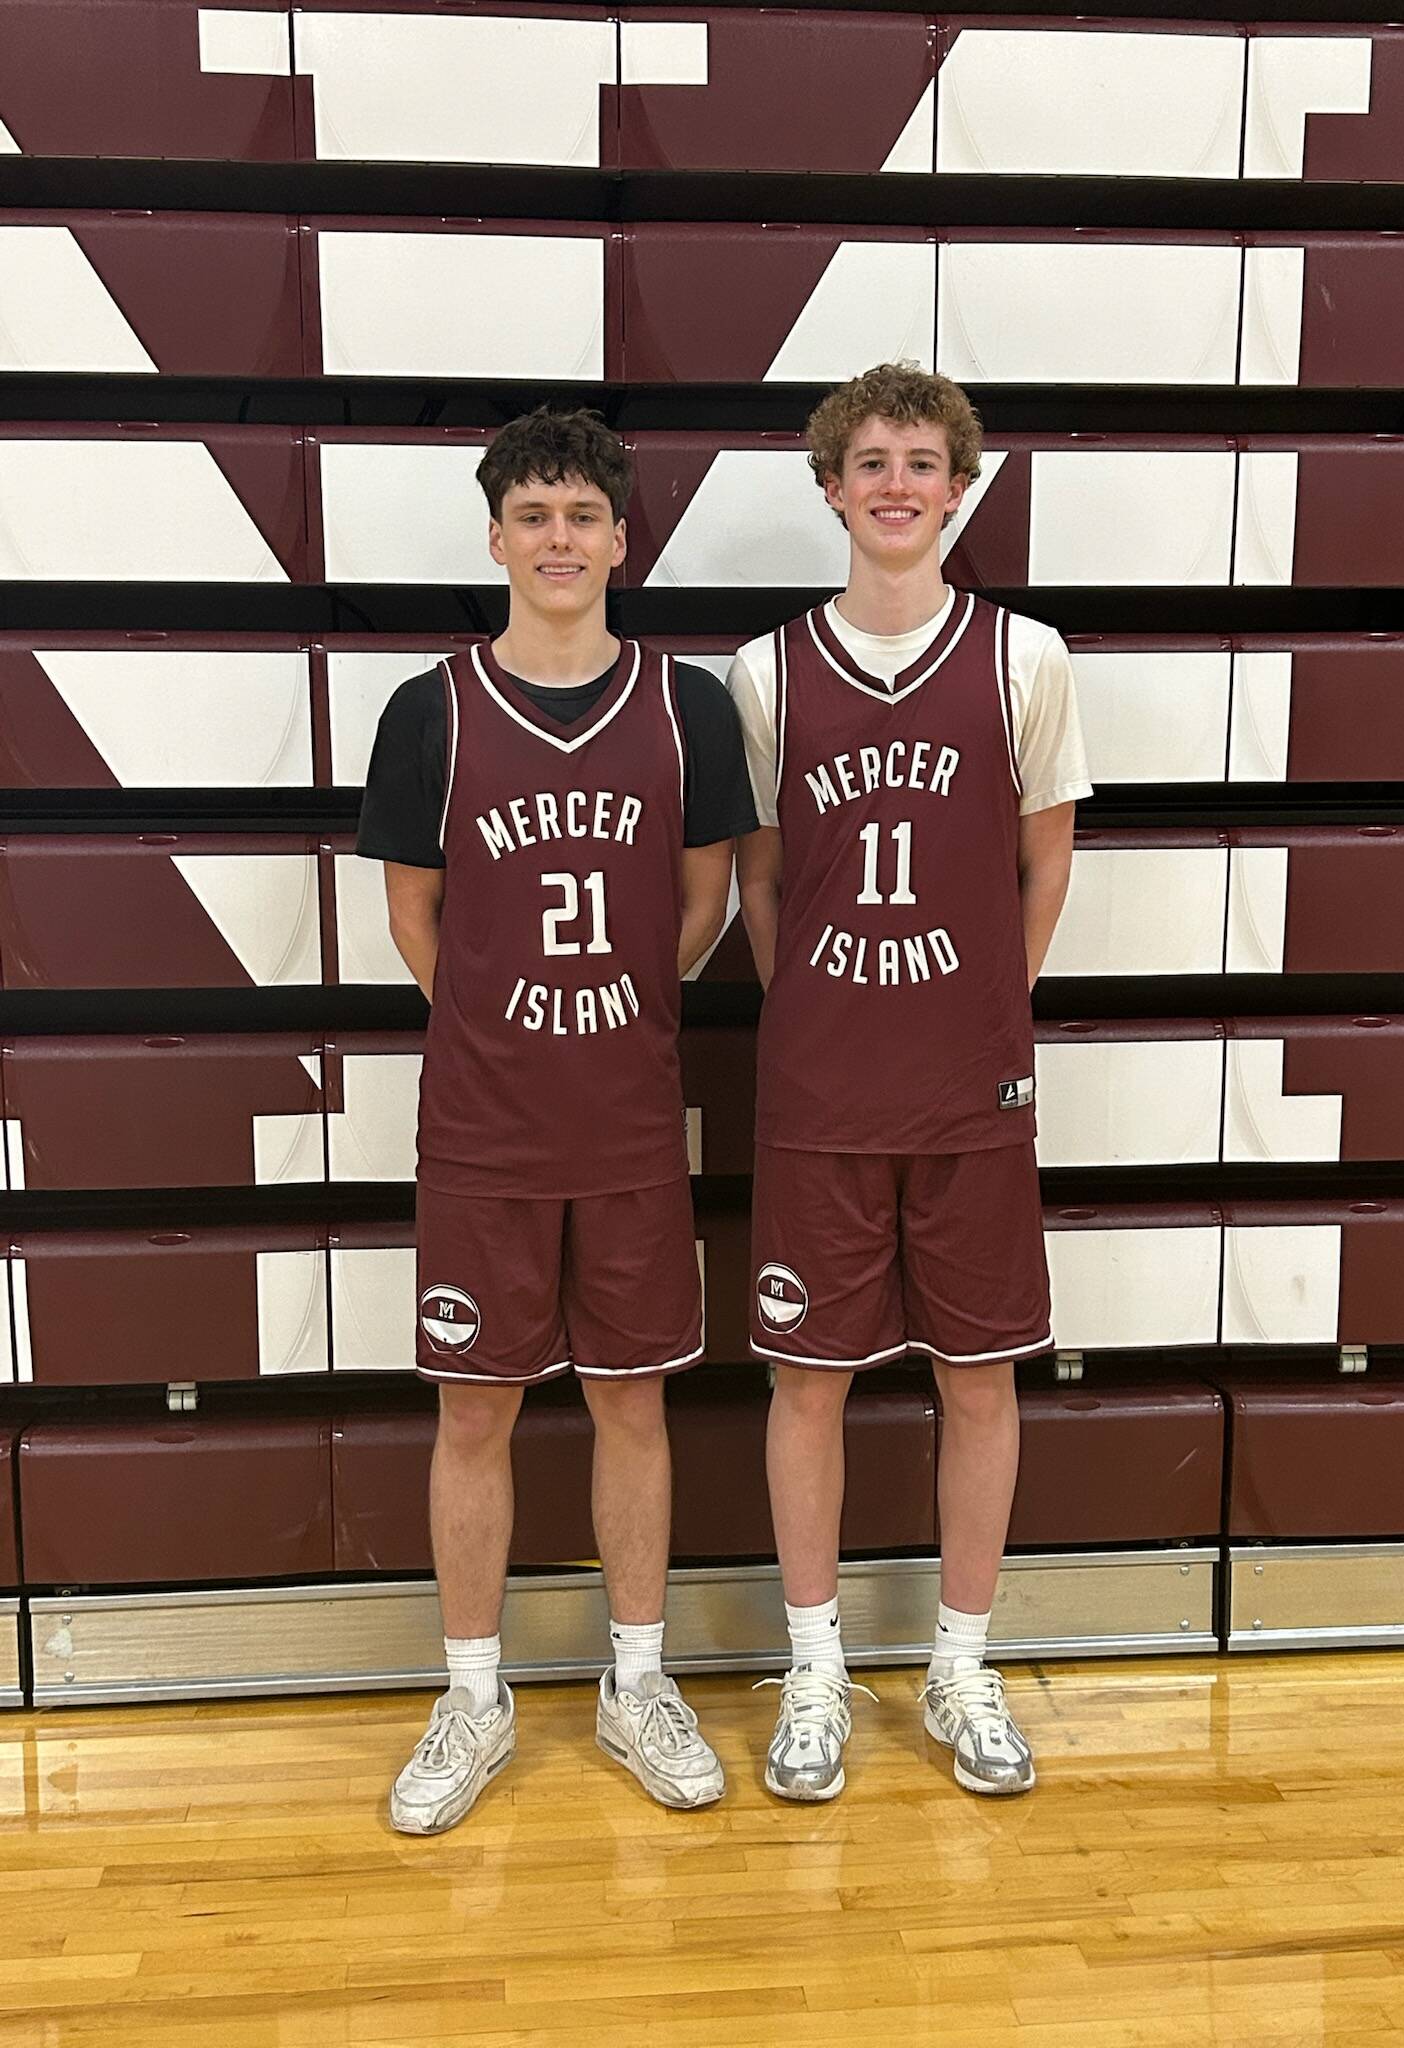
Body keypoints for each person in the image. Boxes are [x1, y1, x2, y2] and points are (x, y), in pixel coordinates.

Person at [358, 407, 757, 1833]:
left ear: (622, 539)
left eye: (583, 515)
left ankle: (634, 1681)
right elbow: (417, 919)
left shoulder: (687, 706)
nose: (560, 538)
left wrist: (612, 1015)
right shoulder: (432, 712)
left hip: (632, 1126)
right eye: (534, 515)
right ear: (496, 538)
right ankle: (473, 1696)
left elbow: (703, 899)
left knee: (631, 1403)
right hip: (483, 1130)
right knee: (474, 1413)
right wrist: (507, 1016)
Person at [730, 363, 1092, 1800]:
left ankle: (957, 1664)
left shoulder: (1025, 655)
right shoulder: (768, 672)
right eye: (868, 460)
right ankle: (815, 1667)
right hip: (821, 1089)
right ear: (831, 488)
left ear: (961, 488)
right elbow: (761, 882)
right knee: (804, 1381)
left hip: (967, 1085)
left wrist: (981, 1009)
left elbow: (1046, 860)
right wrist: (825, 1013)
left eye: (922, 462)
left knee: (982, 1375)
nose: (895, 483)